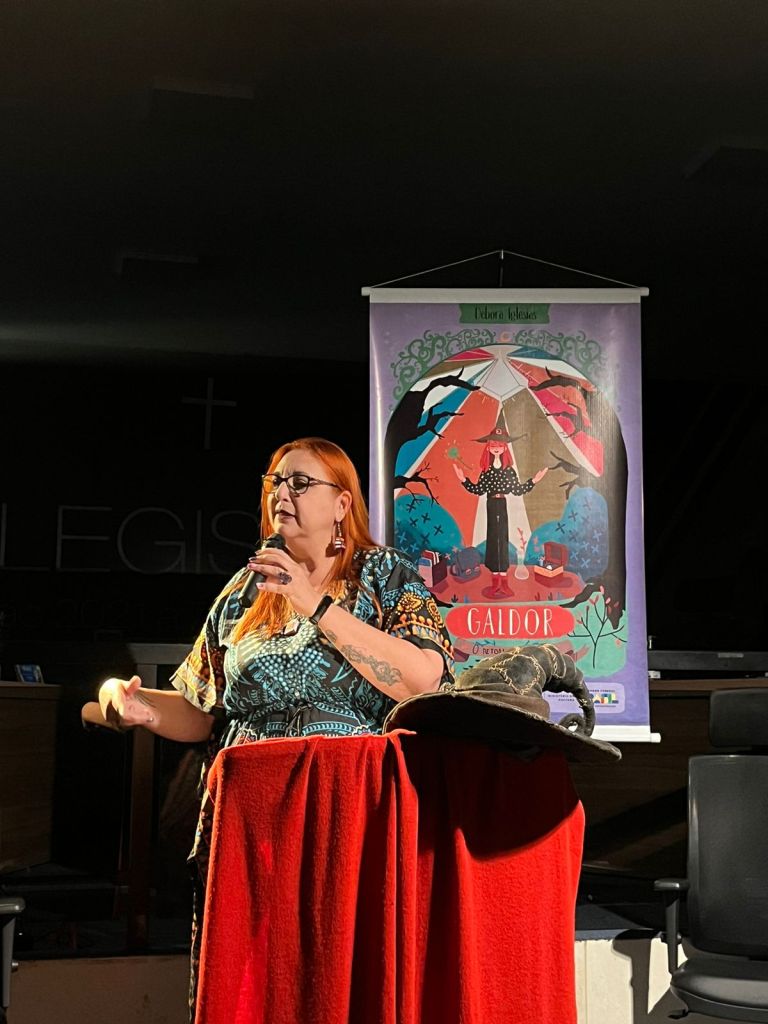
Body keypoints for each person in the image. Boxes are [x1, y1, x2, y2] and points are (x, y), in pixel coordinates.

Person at [86, 436, 455, 1019]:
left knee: (338, 970)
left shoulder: (385, 574)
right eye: (275, 482)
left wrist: (315, 605)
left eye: (300, 482)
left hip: (349, 808)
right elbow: (202, 709)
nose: (282, 493)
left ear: (342, 503)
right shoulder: (245, 590)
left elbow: (423, 679)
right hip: (248, 812)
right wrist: (141, 707)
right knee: (255, 977)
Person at [452, 415, 548, 598]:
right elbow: (478, 489)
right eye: (493, 444)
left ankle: (504, 583)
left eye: (500, 444)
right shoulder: (486, 470)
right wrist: (463, 479)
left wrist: (534, 481)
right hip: (491, 504)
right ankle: (495, 582)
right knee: (492, 537)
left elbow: (517, 490)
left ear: (505, 447)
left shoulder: (508, 470)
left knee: (502, 538)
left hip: (502, 504)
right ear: (488, 446)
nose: (496, 447)